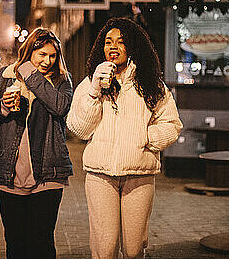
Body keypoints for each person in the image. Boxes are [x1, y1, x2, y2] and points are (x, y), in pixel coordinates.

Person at [67, 17, 183, 259]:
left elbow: (172, 124)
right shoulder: (90, 84)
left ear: (133, 47)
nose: (113, 47)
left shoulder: (151, 85)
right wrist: (95, 90)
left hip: (139, 175)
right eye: (108, 42)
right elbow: (79, 129)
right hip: (100, 176)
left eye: (121, 42)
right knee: (105, 248)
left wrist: (145, 137)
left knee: (133, 249)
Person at [0, 28, 73, 259]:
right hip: (8, 173)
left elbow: (59, 106)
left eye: (52, 55)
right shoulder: (4, 76)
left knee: (42, 243)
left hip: (48, 173)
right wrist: (3, 106)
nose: (48, 61)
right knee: (16, 243)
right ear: (30, 51)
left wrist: (29, 73)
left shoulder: (61, 80)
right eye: (42, 55)